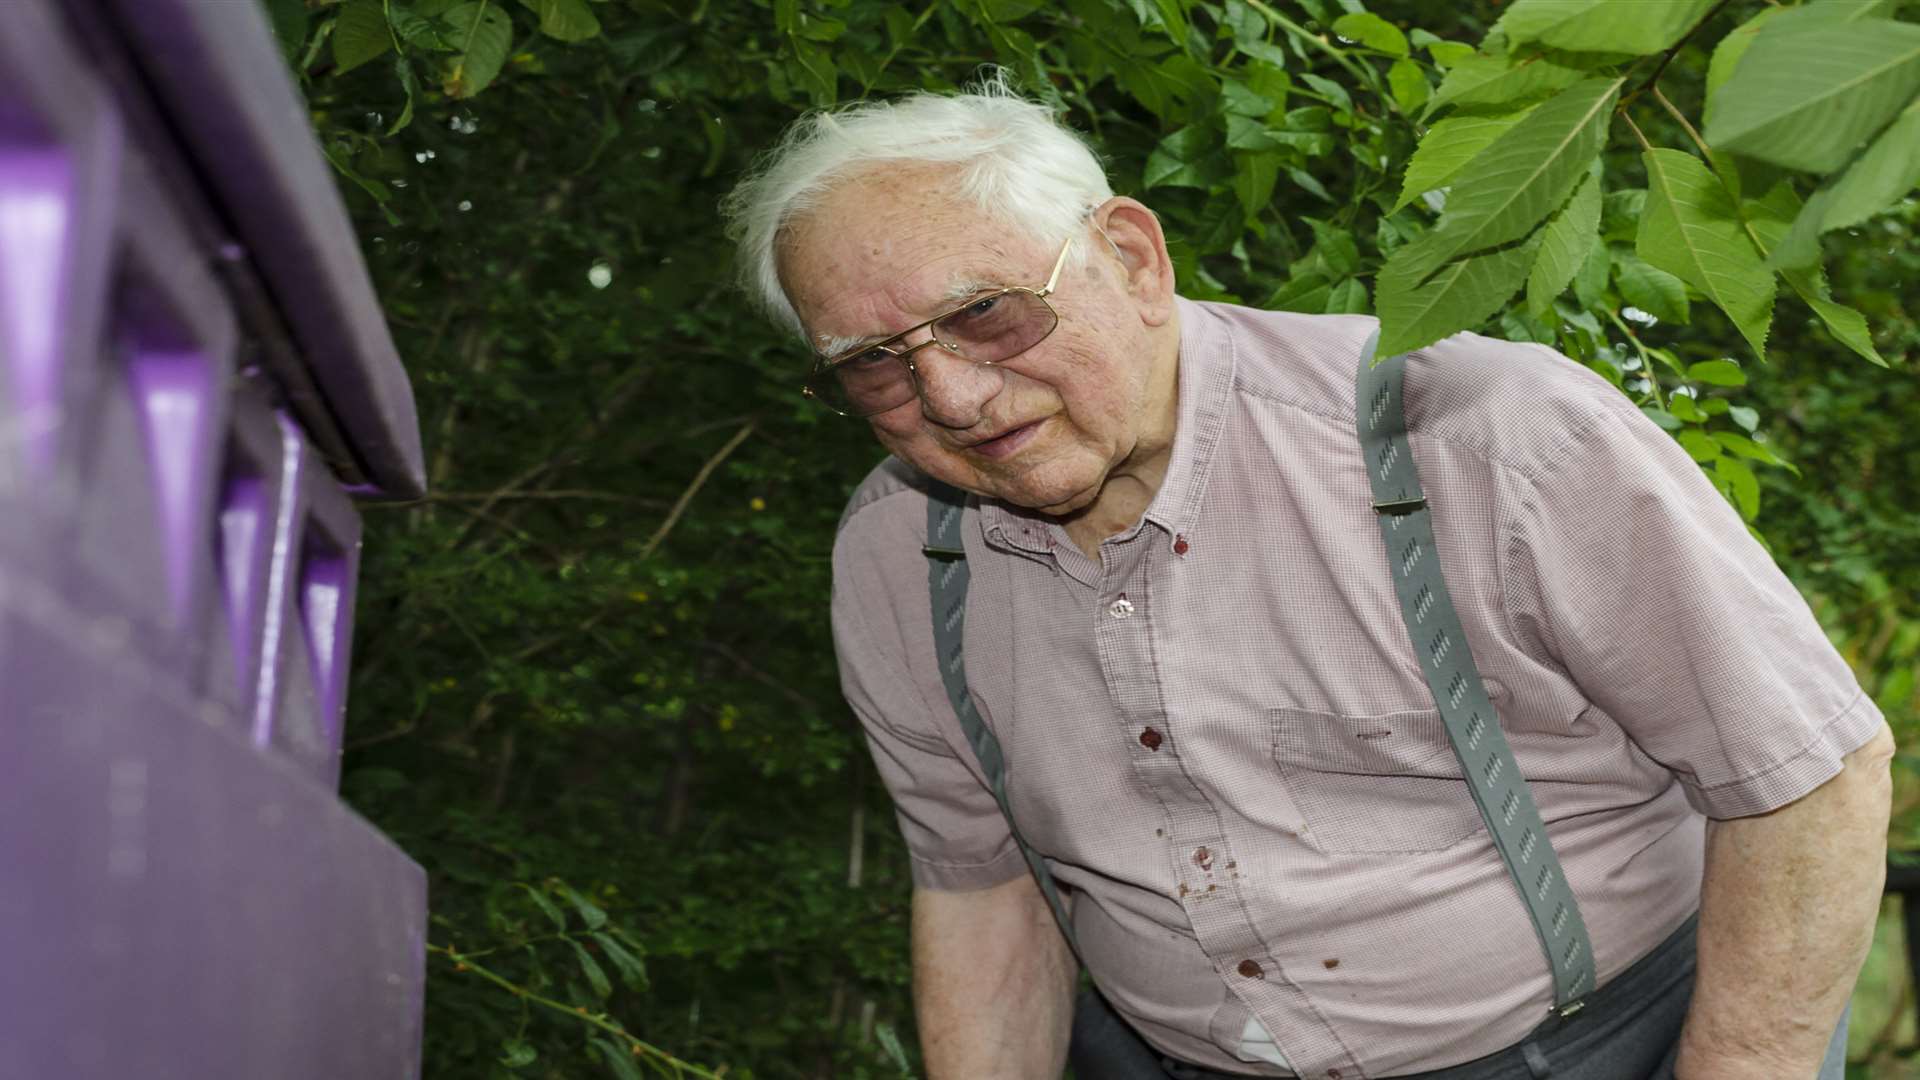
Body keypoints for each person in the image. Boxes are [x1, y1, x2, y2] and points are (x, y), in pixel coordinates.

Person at [720, 76, 1894, 1080]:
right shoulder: (898, 555)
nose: (954, 400)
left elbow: (1808, 780)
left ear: (1131, 258)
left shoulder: (1483, 442)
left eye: (987, 315)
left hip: (1610, 1044)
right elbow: (983, 892)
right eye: (874, 366)